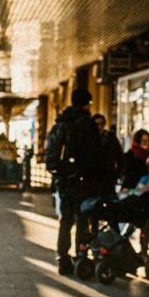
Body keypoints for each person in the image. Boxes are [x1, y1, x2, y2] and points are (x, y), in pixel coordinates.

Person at [44, 88, 100, 274]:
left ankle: (63, 258)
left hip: (64, 179)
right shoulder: (87, 124)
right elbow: (94, 155)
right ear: (87, 103)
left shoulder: (62, 121)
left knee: (66, 220)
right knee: (82, 219)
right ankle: (80, 256)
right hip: (82, 180)